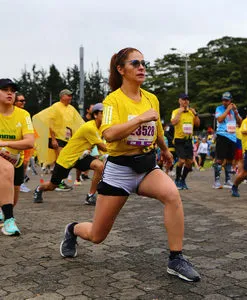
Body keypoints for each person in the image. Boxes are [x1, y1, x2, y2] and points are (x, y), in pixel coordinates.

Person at [59, 47, 200, 282]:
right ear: (121, 69)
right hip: (119, 171)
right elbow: (110, 134)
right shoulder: (113, 100)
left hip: (146, 167)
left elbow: (155, 131)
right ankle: (72, 229)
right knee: (97, 235)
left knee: (172, 195)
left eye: (144, 63)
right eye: (135, 63)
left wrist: (164, 150)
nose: (141, 67)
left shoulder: (150, 98)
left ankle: (176, 259)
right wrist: (140, 118)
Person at [33, 103, 106, 205]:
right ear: (95, 115)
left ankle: (90, 196)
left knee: (100, 166)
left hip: (80, 157)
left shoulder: (102, 128)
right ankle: (39, 188)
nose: (106, 115)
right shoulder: (90, 127)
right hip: (66, 158)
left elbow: (100, 148)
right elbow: (103, 146)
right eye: (103, 113)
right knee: (52, 186)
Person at [0, 78, 35, 235]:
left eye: (12, 91)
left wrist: (4, 143)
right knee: (6, 168)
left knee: (12, 198)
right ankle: (9, 220)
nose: (10, 93)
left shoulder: (23, 114)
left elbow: (29, 142)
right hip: (4, 161)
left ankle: (4, 213)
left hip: (16, 160)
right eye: (5, 89)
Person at [33, 89, 84, 191]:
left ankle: (57, 182)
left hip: (67, 138)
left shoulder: (71, 109)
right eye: (68, 95)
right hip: (57, 138)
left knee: (62, 160)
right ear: (62, 96)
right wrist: (53, 139)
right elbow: (50, 123)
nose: (70, 97)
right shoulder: (56, 106)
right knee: (61, 159)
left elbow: (76, 124)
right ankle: (59, 182)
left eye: (71, 96)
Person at [213, 92, 242, 189]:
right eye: (223, 100)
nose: (224, 102)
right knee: (219, 159)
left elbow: (240, 122)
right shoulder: (219, 108)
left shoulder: (234, 110)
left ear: (231, 100)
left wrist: (236, 112)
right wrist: (228, 110)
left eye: (227, 100)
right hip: (222, 135)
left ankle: (227, 180)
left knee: (230, 159)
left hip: (232, 136)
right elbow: (220, 119)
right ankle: (216, 181)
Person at [171, 93, 200, 189]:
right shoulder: (175, 111)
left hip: (188, 140)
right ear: (179, 101)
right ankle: (177, 179)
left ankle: (183, 180)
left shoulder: (191, 112)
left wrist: (195, 114)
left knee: (189, 162)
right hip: (179, 139)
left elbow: (197, 124)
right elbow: (173, 122)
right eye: (183, 99)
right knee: (181, 160)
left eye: (187, 99)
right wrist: (180, 112)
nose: (185, 101)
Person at [14, 92, 34, 192]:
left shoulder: (25, 114)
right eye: (21, 101)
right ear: (14, 102)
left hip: (23, 144)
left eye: (24, 100)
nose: (23, 102)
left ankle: (20, 182)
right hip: (10, 146)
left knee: (25, 163)